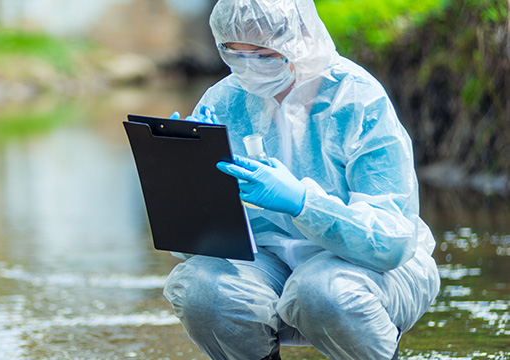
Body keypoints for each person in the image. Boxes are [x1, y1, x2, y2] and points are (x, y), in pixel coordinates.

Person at [163, 0, 441, 359]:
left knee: (321, 292)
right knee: (202, 289)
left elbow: (392, 241)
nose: (249, 68)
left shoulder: (356, 98)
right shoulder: (224, 100)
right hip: (268, 268)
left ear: (300, 37)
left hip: (366, 272)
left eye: (263, 54)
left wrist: (303, 203)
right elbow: (193, 250)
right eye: (235, 54)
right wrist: (187, 177)